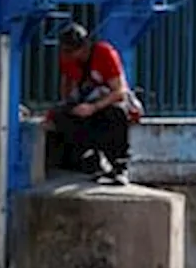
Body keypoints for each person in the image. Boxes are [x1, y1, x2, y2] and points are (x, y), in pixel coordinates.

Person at [46, 22, 141, 186]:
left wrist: (93, 108)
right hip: (84, 101)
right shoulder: (67, 59)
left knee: (114, 115)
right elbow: (66, 84)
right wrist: (66, 106)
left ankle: (119, 166)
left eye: (73, 50)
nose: (71, 55)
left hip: (106, 102)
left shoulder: (104, 53)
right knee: (61, 117)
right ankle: (86, 159)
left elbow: (119, 91)